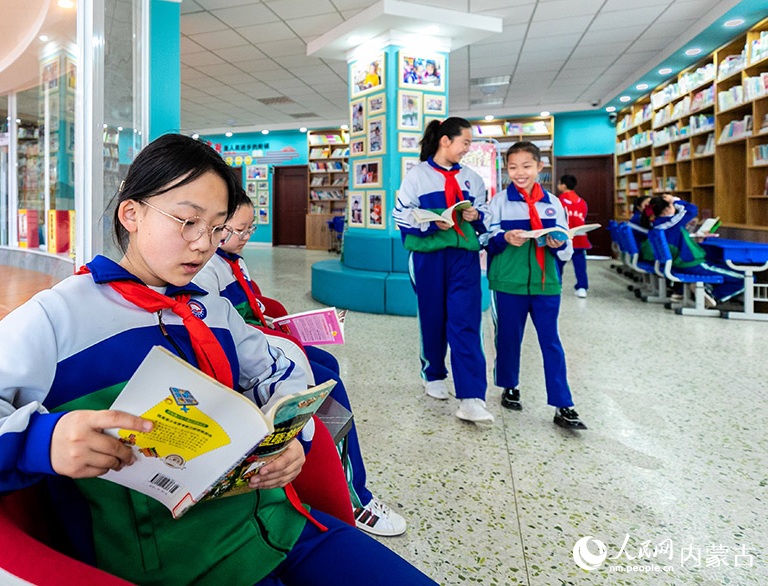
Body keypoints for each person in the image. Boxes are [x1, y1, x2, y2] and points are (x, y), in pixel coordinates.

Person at [0, 134, 436, 586]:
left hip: (282, 524)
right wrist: (41, 440)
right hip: (182, 565)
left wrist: (289, 439)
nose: (204, 244)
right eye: (186, 221)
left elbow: (282, 362)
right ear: (130, 214)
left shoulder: (209, 307)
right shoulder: (59, 317)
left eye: (218, 227)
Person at [194, 192, 407, 537]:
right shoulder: (208, 269)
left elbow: (252, 310)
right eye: (238, 229)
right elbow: (229, 331)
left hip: (268, 343)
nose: (246, 237)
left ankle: (347, 470)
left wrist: (288, 325)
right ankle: (355, 496)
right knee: (327, 386)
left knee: (329, 365)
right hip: (256, 359)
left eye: (251, 228)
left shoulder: (235, 260)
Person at [392, 117, 492, 424]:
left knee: (466, 322)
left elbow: (487, 215)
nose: (467, 148)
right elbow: (400, 215)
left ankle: (471, 397)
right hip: (428, 257)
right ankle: (433, 373)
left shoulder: (472, 179)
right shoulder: (416, 177)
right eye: (464, 142)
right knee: (433, 319)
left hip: (463, 258)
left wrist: (476, 214)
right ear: (445, 141)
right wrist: (430, 221)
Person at [485, 141, 587, 430]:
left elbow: (566, 250)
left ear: (539, 167)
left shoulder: (553, 204)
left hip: (546, 284)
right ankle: (509, 386)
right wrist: (504, 238)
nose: (520, 173)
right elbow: (485, 241)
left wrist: (559, 243)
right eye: (513, 167)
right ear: (506, 169)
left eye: (526, 166)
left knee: (551, 342)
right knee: (507, 338)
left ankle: (563, 403)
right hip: (507, 283)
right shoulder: (499, 202)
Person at [639, 194, 744, 306]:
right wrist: (675, 200)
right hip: (690, 264)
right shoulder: (671, 222)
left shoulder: (657, 225)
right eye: (671, 206)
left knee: (716, 264)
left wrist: (695, 239)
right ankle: (713, 296)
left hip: (678, 265)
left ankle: (696, 291)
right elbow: (691, 210)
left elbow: (676, 240)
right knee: (745, 278)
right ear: (666, 209)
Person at [556, 174, 590, 298]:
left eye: (559, 183)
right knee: (580, 265)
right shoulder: (582, 202)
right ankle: (582, 287)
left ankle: (557, 285)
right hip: (580, 237)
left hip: (564, 237)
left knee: (558, 263)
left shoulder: (559, 201)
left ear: (564, 186)